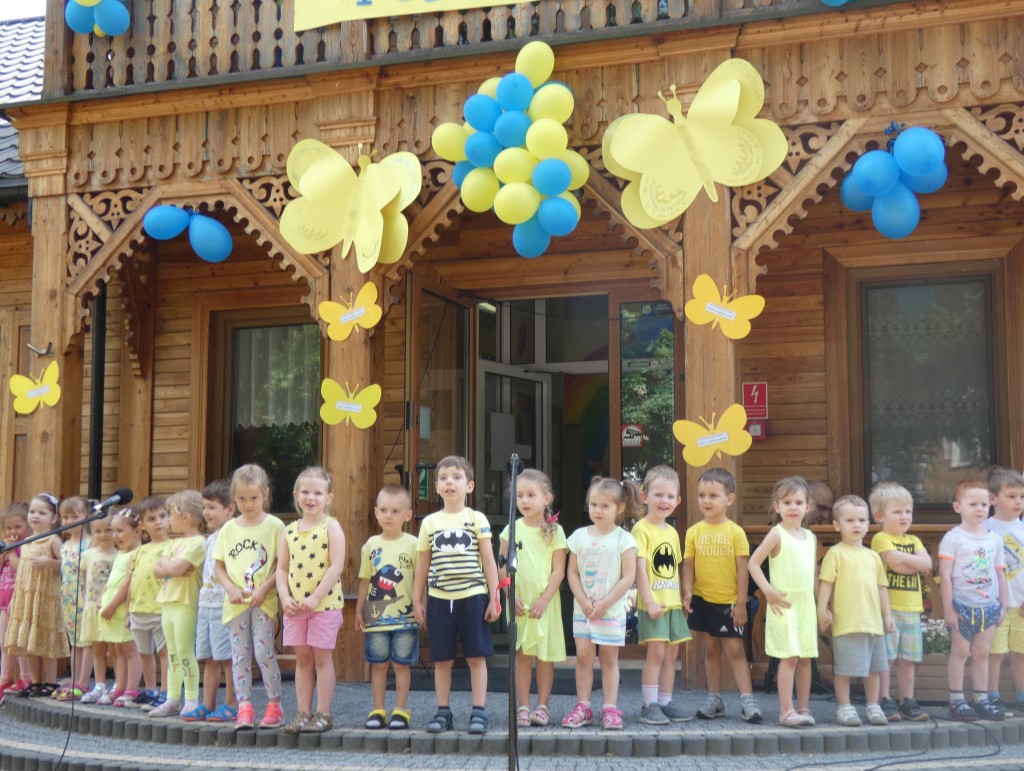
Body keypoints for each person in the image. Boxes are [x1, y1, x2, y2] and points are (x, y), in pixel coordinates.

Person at [412, 456, 499, 735]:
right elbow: (422, 563)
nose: (449, 482)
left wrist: (494, 596)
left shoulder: (477, 519)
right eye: (444, 478)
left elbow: (489, 561)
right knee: (442, 658)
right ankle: (443, 711)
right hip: (439, 598)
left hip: (473, 596)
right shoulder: (429, 522)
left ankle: (479, 711)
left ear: (469, 485)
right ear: (437, 486)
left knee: (476, 656)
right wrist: (417, 599)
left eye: (456, 477)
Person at [683, 467, 763, 723]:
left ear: (729, 499)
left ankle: (747, 700)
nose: (706, 500)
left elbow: (742, 570)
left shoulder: (735, 532)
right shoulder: (693, 532)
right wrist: (686, 592)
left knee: (735, 649)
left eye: (713, 495)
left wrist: (741, 603)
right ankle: (714, 698)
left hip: (729, 603)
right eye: (702, 495)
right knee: (710, 649)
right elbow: (688, 565)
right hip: (702, 600)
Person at [563, 476, 640, 730]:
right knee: (583, 657)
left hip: (611, 610)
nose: (598, 510)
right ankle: (583, 706)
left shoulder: (624, 539)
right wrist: (582, 600)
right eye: (594, 504)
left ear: (619, 508)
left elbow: (628, 576)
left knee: (608, 659)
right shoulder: (578, 536)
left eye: (605, 506)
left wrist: (605, 604)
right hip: (583, 610)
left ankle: (610, 708)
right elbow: (572, 572)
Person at [214, 463, 284, 730]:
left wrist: (264, 589)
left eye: (254, 497)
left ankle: (274, 704)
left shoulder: (275, 526)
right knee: (240, 655)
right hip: (236, 604)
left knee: (264, 652)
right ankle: (244, 706)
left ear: (265, 493)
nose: (248, 504)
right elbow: (219, 566)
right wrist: (230, 589)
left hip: (263, 602)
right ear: (234, 497)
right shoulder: (228, 529)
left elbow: (282, 565)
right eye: (242, 498)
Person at [277, 467, 345, 734]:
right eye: (305, 492)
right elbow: (282, 568)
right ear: (296, 495)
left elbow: (336, 565)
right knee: (303, 658)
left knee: (322, 658)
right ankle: (303, 713)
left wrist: (316, 597)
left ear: (329, 498)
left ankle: (323, 713)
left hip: (324, 605)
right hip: (295, 608)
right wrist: (284, 596)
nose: (311, 498)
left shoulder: (331, 526)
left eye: (318, 493)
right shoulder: (289, 531)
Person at [498, 469, 567, 729]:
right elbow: (501, 565)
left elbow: (559, 570)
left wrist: (545, 599)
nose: (524, 500)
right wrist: (509, 594)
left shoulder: (555, 531)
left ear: (546, 498)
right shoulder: (511, 529)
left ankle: (543, 706)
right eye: (519, 496)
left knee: (544, 657)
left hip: (544, 604)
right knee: (523, 656)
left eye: (530, 495)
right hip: (519, 603)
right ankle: (524, 706)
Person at [818, 495, 894, 727]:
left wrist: (887, 616)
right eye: (849, 520)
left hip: (873, 623)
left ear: (868, 524)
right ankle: (844, 706)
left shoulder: (873, 557)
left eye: (861, 520)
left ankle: (873, 705)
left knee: (874, 669)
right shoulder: (836, 553)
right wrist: (822, 609)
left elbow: (881, 588)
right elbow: (826, 584)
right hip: (847, 623)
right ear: (837, 525)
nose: (856, 525)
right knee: (844, 669)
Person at [748, 477, 817, 728]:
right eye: (787, 502)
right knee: (790, 658)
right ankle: (786, 710)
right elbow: (753, 563)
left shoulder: (810, 537)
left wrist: (821, 605)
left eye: (798, 502)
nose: (793, 507)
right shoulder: (776, 534)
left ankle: (804, 708)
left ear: (807, 506)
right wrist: (768, 591)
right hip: (784, 604)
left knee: (805, 657)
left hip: (805, 605)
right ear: (777, 506)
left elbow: (813, 574)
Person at [940, 477, 1008, 721]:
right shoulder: (953, 538)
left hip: (988, 606)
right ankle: (956, 700)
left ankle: (981, 699)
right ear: (958, 507)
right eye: (973, 504)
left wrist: (1003, 604)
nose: (979, 509)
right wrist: (948, 609)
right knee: (960, 652)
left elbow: (999, 573)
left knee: (982, 652)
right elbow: (945, 575)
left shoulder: (994, 539)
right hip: (962, 606)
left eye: (984, 504)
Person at [356, 484, 419, 731]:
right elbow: (364, 580)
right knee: (379, 663)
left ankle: (401, 710)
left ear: (407, 515)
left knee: (401, 664)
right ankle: (378, 710)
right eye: (383, 510)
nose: (388, 515)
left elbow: (420, 579)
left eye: (395, 511)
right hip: (375, 618)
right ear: (376, 512)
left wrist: (420, 606)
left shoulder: (414, 544)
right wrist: (359, 610)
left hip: (406, 618)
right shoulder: (371, 545)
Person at [633, 465, 690, 725]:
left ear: (677, 501)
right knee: (655, 654)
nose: (664, 501)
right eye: (658, 494)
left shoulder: (672, 532)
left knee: (671, 655)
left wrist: (684, 595)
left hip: (672, 604)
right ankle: (649, 705)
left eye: (669, 496)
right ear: (645, 496)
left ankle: (666, 702)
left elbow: (676, 569)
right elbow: (640, 570)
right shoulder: (641, 529)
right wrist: (649, 601)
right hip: (653, 604)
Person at [869, 481, 931, 722]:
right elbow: (895, 565)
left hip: (911, 608)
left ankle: (907, 699)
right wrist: (914, 562)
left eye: (908, 511)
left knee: (908, 658)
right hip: (889, 608)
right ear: (879, 516)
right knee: (887, 656)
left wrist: (907, 560)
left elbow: (927, 565)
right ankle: (884, 698)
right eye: (897, 512)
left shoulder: (914, 540)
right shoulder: (881, 538)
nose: (905, 516)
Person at [4, 493, 69, 697]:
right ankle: (35, 681)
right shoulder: (26, 542)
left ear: (54, 518)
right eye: (32, 512)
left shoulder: (53, 540)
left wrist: (49, 562)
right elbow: (21, 569)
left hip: (46, 597)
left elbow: (68, 566)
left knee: (46, 641)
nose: (35, 516)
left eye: (42, 513)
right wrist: (15, 598)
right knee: (30, 643)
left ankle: (51, 682)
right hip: (27, 597)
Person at [149, 490, 207, 718]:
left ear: (186, 517)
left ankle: (191, 699)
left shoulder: (198, 543)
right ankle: (172, 698)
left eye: (171, 514)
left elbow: (172, 568)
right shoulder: (175, 543)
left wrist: (168, 564)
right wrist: (169, 564)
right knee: (172, 654)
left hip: (186, 603)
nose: (169, 520)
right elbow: (157, 570)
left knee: (185, 652)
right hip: (168, 602)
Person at [188, 479, 237, 722]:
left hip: (224, 605)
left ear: (230, 509)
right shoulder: (210, 539)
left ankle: (232, 703)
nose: (206, 512)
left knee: (227, 657)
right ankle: (207, 704)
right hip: (206, 604)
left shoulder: (233, 536)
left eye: (212, 507)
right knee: (209, 657)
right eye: (204, 507)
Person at [985, 467, 1024, 714]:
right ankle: (992, 695)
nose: (1018, 501)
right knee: (995, 653)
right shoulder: (985, 529)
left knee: (1021, 652)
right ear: (993, 499)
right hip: (995, 604)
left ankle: (1022, 696)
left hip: (1021, 605)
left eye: (1021, 496)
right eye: (1011, 496)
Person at [125, 496, 170, 709]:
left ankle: (166, 692)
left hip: (161, 609)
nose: (158, 522)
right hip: (138, 610)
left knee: (165, 653)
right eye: (152, 519)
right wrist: (128, 611)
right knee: (144, 652)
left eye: (163, 516)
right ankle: (151, 690)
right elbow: (131, 582)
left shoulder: (174, 547)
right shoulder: (139, 551)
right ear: (142, 525)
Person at [96, 508, 144, 706]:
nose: (115, 535)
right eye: (113, 530)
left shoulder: (136, 554)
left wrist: (112, 605)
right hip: (110, 608)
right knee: (116, 651)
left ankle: (131, 689)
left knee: (130, 651)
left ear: (137, 531)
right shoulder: (121, 553)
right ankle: (119, 686)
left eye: (120, 531)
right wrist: (101, 597)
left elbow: (127, 584)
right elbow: (112, 579)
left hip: (121, 608)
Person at [55, 496, 93, 701]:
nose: (69, 521)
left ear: (86, 516)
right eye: (65, 517)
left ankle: (84, 682)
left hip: (85, 594)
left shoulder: (91, 543)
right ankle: (74, 679)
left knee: (86, 639)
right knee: (74, 641)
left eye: (75, 516)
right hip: (68, 596)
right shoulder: (64, 545)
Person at [78, 513, 118, 703]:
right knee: (97, 649)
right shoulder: (88, 555)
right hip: (93, 608)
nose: (103, 535)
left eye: (108, 530)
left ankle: (118, 684)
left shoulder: (120, 555)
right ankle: (99, 685)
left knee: (115, 650)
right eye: (98, 531)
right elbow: (85, 581)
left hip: (113, 610)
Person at [0, 503, 30, 698]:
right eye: (8, 528)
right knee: (5, 643)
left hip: (19, 601)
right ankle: (5, 679)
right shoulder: (6, 547)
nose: (13, 532)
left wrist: (11, 553)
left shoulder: (25, 548)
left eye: (18, 527)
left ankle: (25, 677)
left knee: (20, 642)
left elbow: (21, 570)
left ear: (28, 527)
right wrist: (4, 553)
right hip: (4, 602)